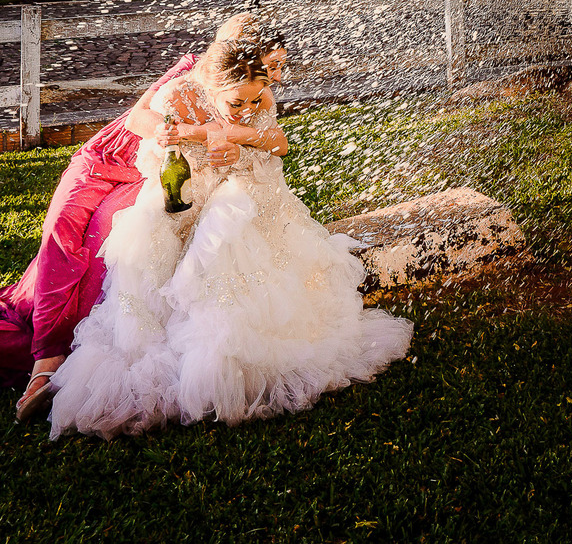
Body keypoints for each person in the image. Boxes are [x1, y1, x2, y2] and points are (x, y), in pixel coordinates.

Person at [47, 40, 412, 439]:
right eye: (237, 102)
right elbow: (152, 157)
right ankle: (148, 344)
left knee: (226, 228)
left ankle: (221, 356)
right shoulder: (177, 95)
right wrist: (186, 143)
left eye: (254, 101)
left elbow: (278, 143)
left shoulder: (257, 92)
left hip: (233, 188)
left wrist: (239, 142)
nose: (249, 109)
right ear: (213, 85)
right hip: (186, 191)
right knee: (145, 236)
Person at [3, 12, 287, 422]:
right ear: (241, 54)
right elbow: (139, 119)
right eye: (272, 63)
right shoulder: (194, 73)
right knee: (62, 231)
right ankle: (44, 362)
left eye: (278, 66)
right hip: (109, 156)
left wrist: (228, 142)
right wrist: (193, 132)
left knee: (104, 239)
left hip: (148, 171)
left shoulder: (253, 90)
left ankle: (68, 344)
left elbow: (271, 139)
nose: (278, 73)